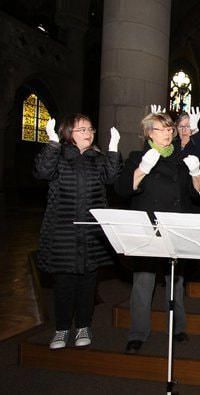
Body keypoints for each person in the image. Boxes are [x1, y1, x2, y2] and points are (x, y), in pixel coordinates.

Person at [114, 110, 200, 354]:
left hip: (176, 224)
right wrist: (143, 169)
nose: (167, 133)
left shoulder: (181, 157)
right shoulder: (137, 156)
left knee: (175, 280)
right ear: (148, 133)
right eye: (161, 129)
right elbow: (123, 189)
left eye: (170, 129)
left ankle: (177, 328)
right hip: (148, 225)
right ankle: (138, 332)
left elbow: (198, 194)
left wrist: (196, 174)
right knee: (143, 281)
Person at [33, 114, 122, 349]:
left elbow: (112, 178)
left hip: (91, 231)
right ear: (68, 133)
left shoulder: (98, 158)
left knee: (87, 281)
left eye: (90, 129)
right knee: (64, 283)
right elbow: (42, 172)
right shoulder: (60, 156)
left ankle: (83, 325)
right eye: (82, 129)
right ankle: (62, 329)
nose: (88, 133)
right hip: (62, 230)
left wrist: (113, 149)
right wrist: (52, 143)